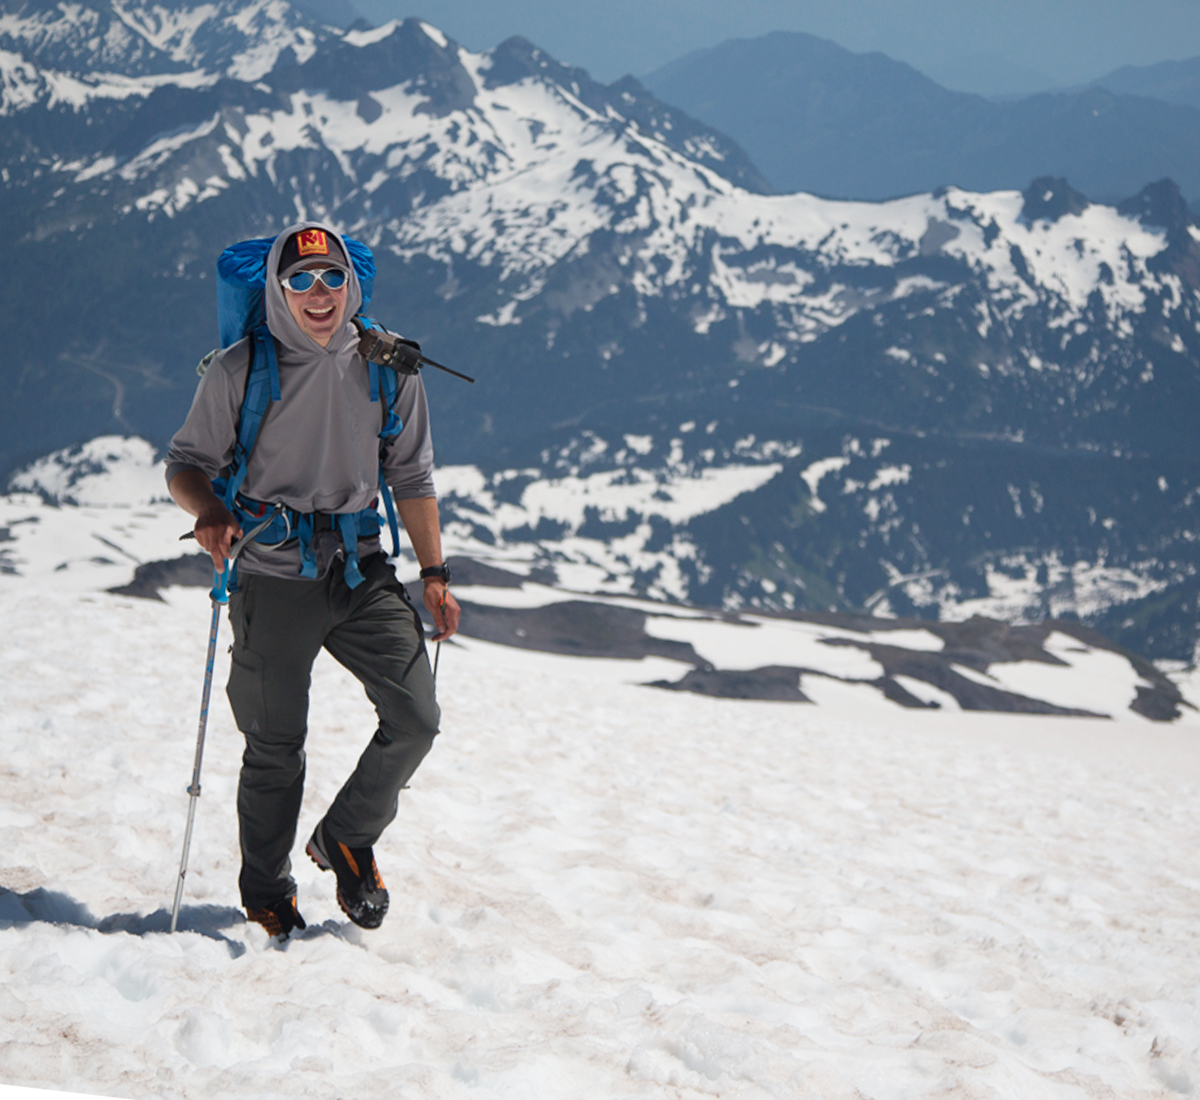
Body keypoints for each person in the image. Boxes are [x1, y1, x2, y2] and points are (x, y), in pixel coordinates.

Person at [165, 221, 460, 938]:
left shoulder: (387, 365)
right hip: (271, 573)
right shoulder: (240, 369)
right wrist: (207, 509)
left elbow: (411, 474)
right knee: (276, 746)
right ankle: (267, 891)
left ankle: (348, 838)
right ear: (276, 289)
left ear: (352, 284)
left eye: (331, 278)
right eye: (300, 280)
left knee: (416, 716)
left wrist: (433, 573)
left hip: (359, 570)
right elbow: (185, 463)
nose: (319, 293)